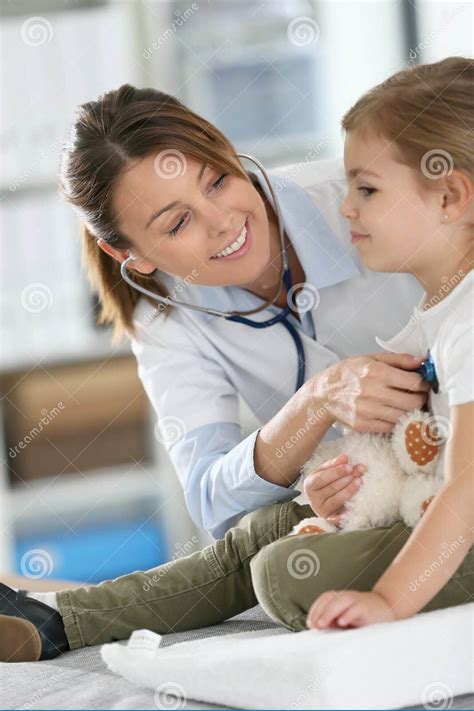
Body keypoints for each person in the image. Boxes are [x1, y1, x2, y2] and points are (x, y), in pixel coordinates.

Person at [1, 57, 471, 663]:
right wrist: (314, 407)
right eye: (178, 223)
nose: (224, 222)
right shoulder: (167, 317)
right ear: (133, 256)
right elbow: (212, 502)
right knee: (258, 536)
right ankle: (53, 619)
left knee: (278, 568)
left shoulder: (377, 207)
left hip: (435, 486)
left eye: (217, 180)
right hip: (383, 487)